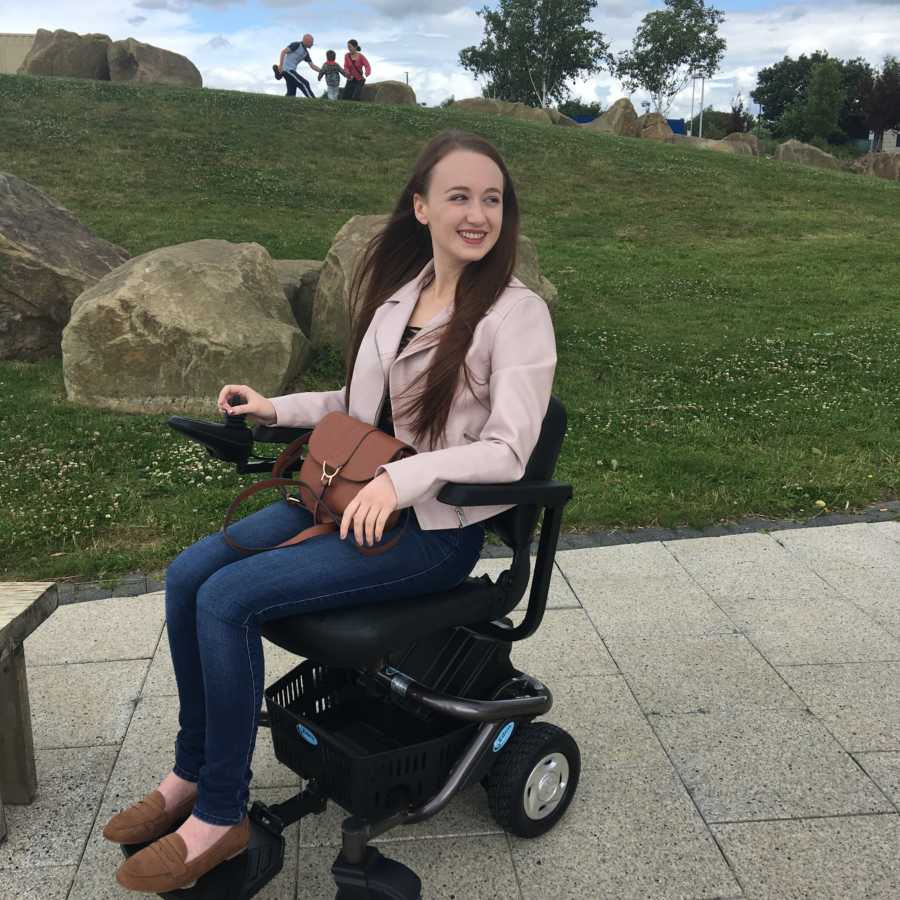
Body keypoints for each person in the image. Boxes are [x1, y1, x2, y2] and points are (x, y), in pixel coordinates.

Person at [103, 129, 556, 893]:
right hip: (348, 496)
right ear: (420, 207)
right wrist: (275, 407)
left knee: (228, 599)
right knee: (188, 576)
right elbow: (359, 406)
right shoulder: (400, 300)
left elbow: (511, 452)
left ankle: (220, 814)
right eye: (459, 197)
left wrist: (406, 482)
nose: (478, 214)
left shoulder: (516, 316)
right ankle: (189, 773)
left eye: (492, 199)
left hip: (434, 530)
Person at [273, 33, 320, 98]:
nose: (312, 44)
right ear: (306, 41)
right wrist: (281, 65)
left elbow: (312, 66)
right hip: (287, 69)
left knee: (291, 93)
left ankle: (278, 74)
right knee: (304, 83)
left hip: (291, 71)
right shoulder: (296, 45)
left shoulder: (306, 53)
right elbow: (283, 52)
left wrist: (322, 71)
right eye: (311, 42)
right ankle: (314, 102)